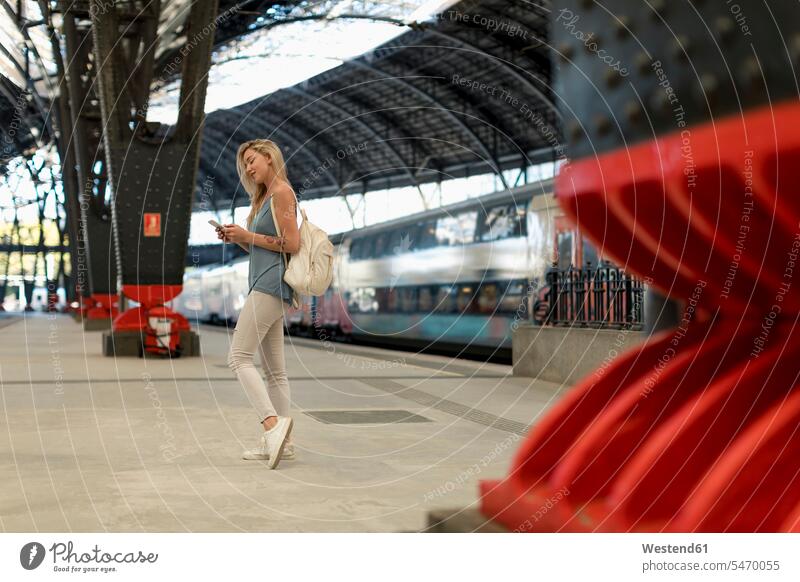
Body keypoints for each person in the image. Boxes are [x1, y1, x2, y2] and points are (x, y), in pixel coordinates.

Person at [219, 139, 300, 469]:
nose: (249, 169)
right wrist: (239, 239)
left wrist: (248, 235)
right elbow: (265, 249)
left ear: (269, 157)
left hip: (270, 285)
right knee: (275, 372)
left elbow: (291, 244)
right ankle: (285, 444)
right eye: (245, 165)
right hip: (265, 281)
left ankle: (272, 426)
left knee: (238, 358)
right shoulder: (263, 196)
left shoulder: (282, 192)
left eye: (252, 161)